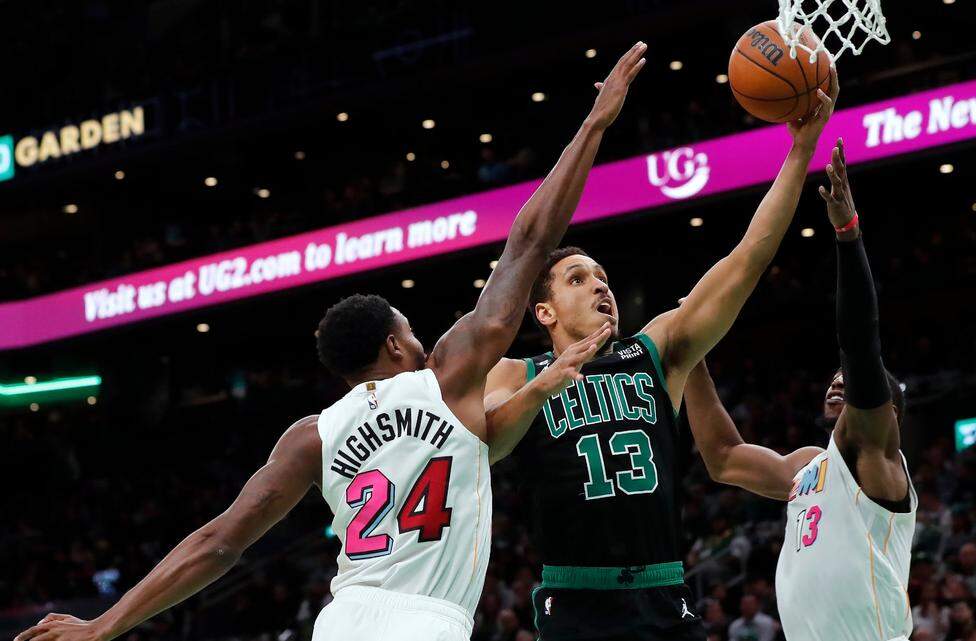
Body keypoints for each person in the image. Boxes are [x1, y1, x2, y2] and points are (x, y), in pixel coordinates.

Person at [13, 43, 649, 641]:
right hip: (426, 623)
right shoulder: (447, 378)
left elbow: (218, 543)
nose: (426, 343)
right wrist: (594, 123)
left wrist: (105, 626)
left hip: (341, 618)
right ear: (397, 348)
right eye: (413, 331)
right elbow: (529, 243)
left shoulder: (310, 436)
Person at [481, 68, 839, 640]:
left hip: (663, 595)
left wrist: (800, 150)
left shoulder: (655, 353)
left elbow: (746, 260)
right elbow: (489, 444)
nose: (601, 286)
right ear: (544, 312)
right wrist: (543, 388)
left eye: (602, 277)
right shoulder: (517, 372)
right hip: (575, 603)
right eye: (578, 279)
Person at [683, 138, 917, 641]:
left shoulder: (878, 458)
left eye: (848, 382)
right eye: (833, 379)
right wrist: (691, 359)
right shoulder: (809, 465)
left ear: (887, 412)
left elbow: (859, 342)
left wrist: (847, 234)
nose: (837, 382)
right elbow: (723, 457)